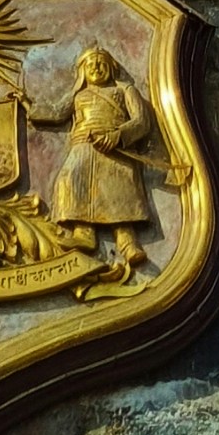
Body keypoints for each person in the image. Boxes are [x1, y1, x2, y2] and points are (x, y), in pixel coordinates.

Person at [33, 46, 161, 282]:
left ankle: (127, 241)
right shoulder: (78, 95)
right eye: (90, 64)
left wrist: (119, 135)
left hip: (116, 147)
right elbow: (55, 114)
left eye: (101, 62)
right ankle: (84, 232)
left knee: (117, 191)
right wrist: (26, 104)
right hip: (83, 144)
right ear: (82, 71)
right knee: (69, 180)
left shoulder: (124, 90)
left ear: (112, 67)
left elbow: (142, 121)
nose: (96, 67)